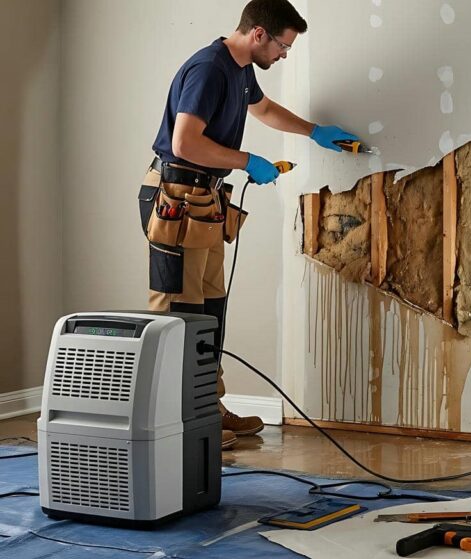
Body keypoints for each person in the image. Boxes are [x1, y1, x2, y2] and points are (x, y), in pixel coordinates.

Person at [142, 0, 356, 450]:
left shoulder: (239, 70)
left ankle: (207, 407)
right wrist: (246, 161)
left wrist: (313, 131)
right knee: (180, 312)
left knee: (210, 309)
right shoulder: (209, 70)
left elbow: (263, 109)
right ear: (259, 34)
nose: (284, 55)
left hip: (205, 202)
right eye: (282, 45)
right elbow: (184, 142)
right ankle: (179, 423)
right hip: (178, 202)